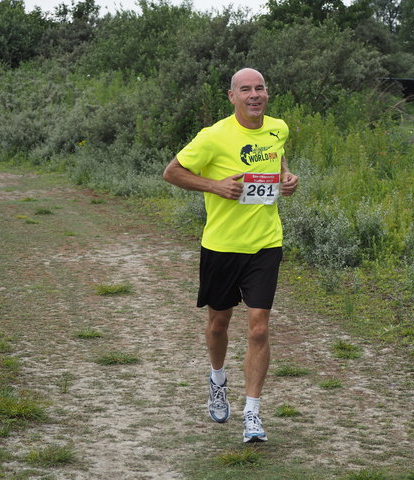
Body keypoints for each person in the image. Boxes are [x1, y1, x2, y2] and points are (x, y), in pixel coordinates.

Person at [162, 67, 298, 443]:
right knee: (219, 323)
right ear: (232, 96)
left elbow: (278, 160)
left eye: (260, 88)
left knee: (259, 326)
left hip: (265, 243)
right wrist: (214, 186)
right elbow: (172, 172)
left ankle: (252, 413)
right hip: (221, 245)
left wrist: (287, 178)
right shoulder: (213, 136)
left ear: (267, 93)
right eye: (246, 90)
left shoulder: (279, 128)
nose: (255, 95)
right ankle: (218, 380)